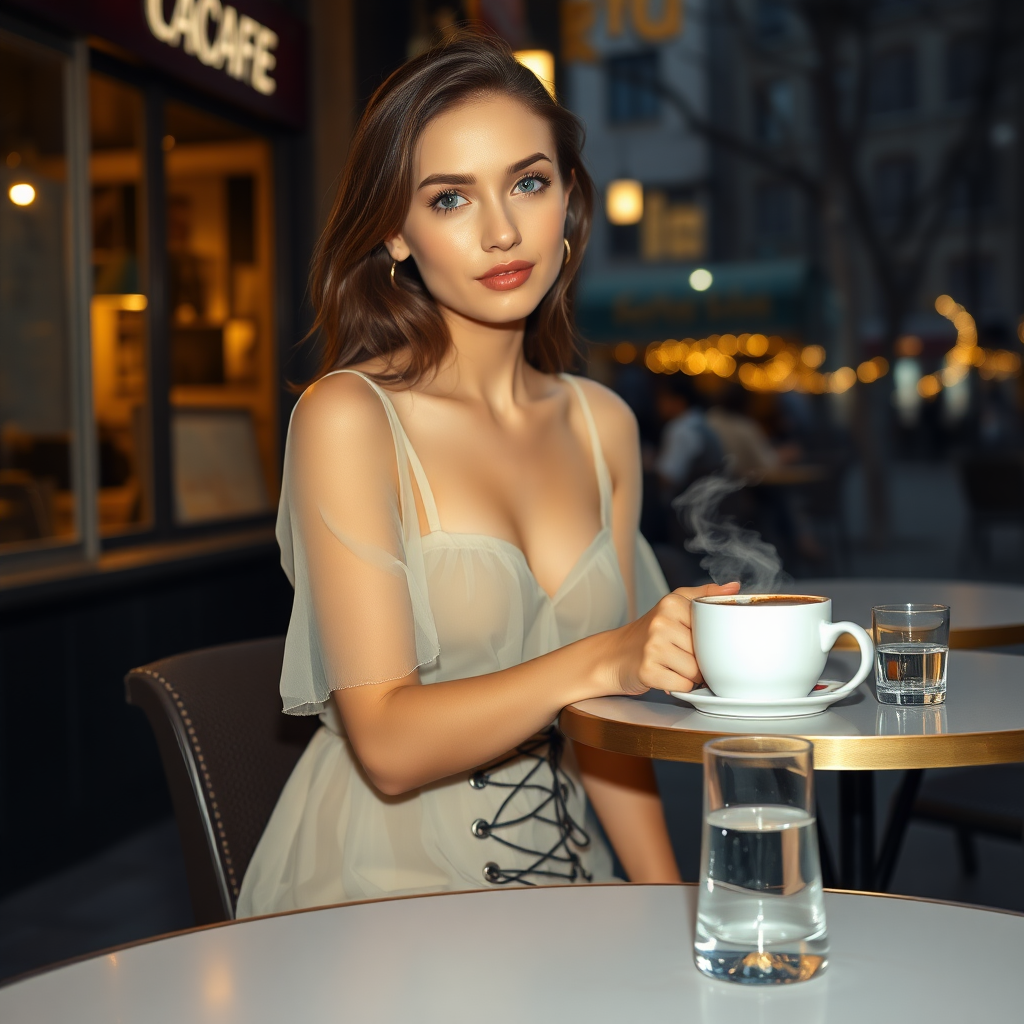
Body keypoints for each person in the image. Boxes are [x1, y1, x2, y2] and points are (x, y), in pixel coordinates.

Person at [236, 33, 738, 917]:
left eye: (528, 183)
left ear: (569, 202)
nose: (502, 230)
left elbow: (605, 728)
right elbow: (386, 744)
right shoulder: (349, 418)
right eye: (449, 197)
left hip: (572, 888)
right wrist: (607, 656)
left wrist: (672, 909)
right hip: (380, 892)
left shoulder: (603, 424)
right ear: (395, 229)